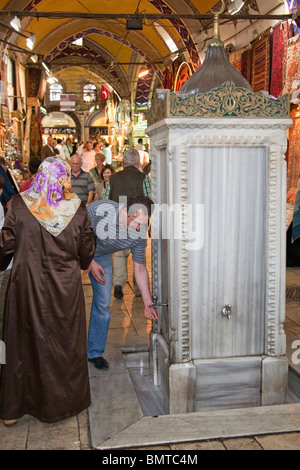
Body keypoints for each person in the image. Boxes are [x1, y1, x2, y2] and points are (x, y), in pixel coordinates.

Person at [0, 157, 95, 425]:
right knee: (64, 342)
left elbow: (6, 244)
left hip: (25, 285)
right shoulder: (76, 209)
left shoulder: (18, 204)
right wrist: (85, 263)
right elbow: (86, 249)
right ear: (63, 178)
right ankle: (64, 403)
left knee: (22, 343)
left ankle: (13, 409)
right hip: (64, 288)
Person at [86, 194, 158, 370]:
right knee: (66, 303)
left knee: (103, 303)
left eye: (144, 223)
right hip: (73, 252)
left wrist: (148, 303)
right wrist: (88, 261)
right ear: (126, 211)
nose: (140, 227)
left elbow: (140, 268)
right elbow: (73, 236)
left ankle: (94, 352)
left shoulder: (139, 233)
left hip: (101, 256)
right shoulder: (99, 210)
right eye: (136, 221)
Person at [102, 148, 151, 299]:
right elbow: (149, 198)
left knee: (119, 254)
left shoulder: (114, 178)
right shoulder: (143, 178)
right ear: (138, 163)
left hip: (119, 219)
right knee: (138, 253)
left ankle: (118, 284)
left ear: (123, 163)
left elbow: (105, 198)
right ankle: (138, 289)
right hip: (138, 219)